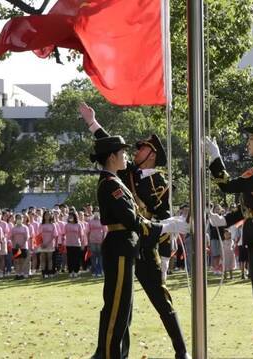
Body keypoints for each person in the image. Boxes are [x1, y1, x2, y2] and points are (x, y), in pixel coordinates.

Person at [81, 103, 190, 359]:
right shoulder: (124, 175)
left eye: (141, 148)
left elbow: (165, 219)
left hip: (147, 246)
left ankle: (181, 350)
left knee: (161, 302)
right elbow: (107, 146)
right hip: (128, 241)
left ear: (151, 154)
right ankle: (114, 352)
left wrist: (165, 255)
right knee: (122, 306)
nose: (135, 151)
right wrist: (92, 123)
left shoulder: (161, 183)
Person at [206, 122, 253, 359]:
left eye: (251, 139)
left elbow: (228, 186)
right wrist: (224, 221)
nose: (248, 142)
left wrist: (215, 157)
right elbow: (248, 208)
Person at [64, 211, 85, 279]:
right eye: (69, 216)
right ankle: (70, 272)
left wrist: (82, 244)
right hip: (69, 244)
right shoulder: (66, 225)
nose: (70, 218)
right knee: (70, 259)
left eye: (72, 216)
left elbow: (81, 236)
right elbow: (64, 234)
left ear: (75, 217)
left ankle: (76, 272)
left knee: (76, 259)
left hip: (77, 244)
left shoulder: (78, 225)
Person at [10, 213, 30, 280]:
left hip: (23, 247)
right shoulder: (13, 228)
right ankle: (17, 274)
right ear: (15, 219)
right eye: (17, 218)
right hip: (15, 247)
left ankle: (22, 274)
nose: (19, 219)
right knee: (16, 261)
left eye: (20, 218)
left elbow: (27, 237)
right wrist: (15, 244)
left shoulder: (25, 227)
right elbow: (11, 237)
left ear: (22, 219)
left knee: (22, 261)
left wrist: (21, 245)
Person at [38, 211, 58, 279]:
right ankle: (44, 273)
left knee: (50, 259)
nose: (47, 216)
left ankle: (50, 273)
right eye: (46, 215)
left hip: (50, 243)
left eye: (48, 215)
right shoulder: (41, 225)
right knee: (43, 259)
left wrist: (47, 243)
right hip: (42, 243)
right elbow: (39, 235)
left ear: (51, 216)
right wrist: (42, 243)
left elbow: (54, 235)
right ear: (43, 216)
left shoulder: (53, 225)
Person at [87, 211, 107, 277]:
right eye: (95, 212)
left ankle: (101, 270)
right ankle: (94, 271)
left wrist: (103, 240)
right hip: (92, 241)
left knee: (100, 256)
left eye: (97, 212)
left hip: (100, 241)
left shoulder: (102, 221)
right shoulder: (90, 221)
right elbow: (88, 232)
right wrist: (88, 241)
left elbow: (105, 231)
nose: (96, 214)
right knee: (93, 257)